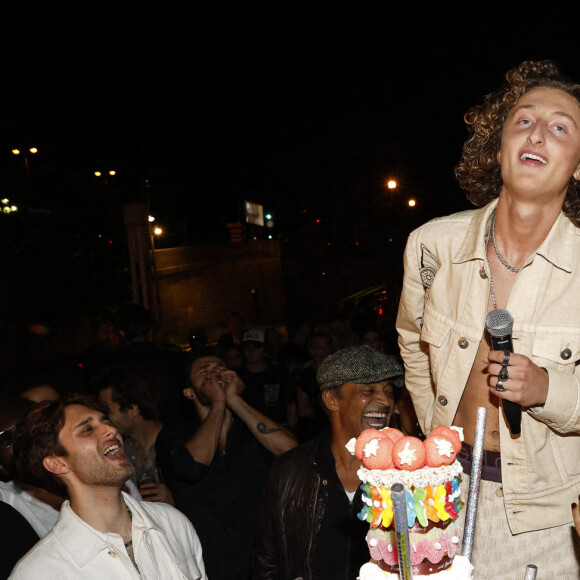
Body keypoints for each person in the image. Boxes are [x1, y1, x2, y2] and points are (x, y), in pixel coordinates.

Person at [396, 59, 580, 578]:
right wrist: (435, 427)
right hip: (443, 493)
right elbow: (412, 343)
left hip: (547, 515)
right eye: (523, 121)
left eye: (560, 127)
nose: (538, 133)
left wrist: (548, 388)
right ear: (499, 146)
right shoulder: (432, 246)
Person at [8, 394, 206, 579]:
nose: (111, 429)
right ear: (57, 463)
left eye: (106, 421)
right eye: (87, 429)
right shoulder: (40, 572)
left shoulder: (171, 522)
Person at [252, 344, 404, 580]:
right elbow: (267, 563)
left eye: (388, 390)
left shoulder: (408, 473)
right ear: (332, 400)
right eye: (368, 390)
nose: (385, 400)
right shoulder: (291, 471)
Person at [155, 349, 297, 580]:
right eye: (204, 372)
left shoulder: (250, 428)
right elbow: (191, 468)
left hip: (263, 561)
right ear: (189, 393)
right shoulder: (174, 435)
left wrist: (233, 400)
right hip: (209, 561)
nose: (214, 375)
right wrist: (219, 404)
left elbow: (292, 453)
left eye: (220, 368)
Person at [94, 365, 175, 505]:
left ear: (133, 409)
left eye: (107, 410)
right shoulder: (119, 452)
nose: (104, 419)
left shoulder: (178, 441)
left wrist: (176, 498)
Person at [237, 328, 297, 428]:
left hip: (277, 429)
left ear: (265, 351)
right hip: (246, 432)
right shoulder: (236, 376)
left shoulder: (280, 373)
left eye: (256, 347)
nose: (251, 351)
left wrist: (292, 429)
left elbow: (291, 405)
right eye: (247, 347)